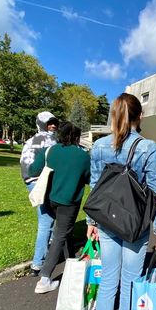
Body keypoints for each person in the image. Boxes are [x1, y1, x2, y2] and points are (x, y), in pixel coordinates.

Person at [86, 93, 156, 310]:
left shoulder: (98, 146)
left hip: (107, 221)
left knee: (109, 282)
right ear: (139, 116)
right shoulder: (147, 146)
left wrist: (90, 224)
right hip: (135, 225)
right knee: (130, 284)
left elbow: (95, 187)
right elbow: (154, 191)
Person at [29, 122, 90, 293]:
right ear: (77, 138)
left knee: (64, 232)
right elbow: (88, 178)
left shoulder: (50, 150)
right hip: (69, 202)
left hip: (49, 199)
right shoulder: (83, 156)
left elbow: (33, 170)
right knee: (60, 235)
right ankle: (44, 278)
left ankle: (71, 262)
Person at [20, 111, 59, 275]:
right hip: (40, 181)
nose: (53, 126)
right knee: (46, 220)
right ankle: (38, 263)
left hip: (30, 181)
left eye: (55, 123)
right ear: (42, 124)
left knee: (46, 217)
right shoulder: (50, 140)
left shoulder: (31, 139)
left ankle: (48, 248)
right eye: (50, 123)